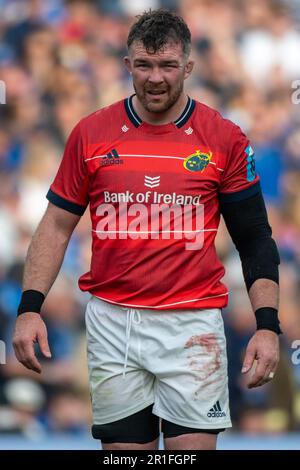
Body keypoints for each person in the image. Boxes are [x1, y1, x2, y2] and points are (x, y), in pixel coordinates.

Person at [12, 9, 281, 451]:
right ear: (127, 65)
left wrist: (267, 326)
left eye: (168, 66)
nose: (156, 78)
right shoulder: (91, 134)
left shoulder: (224, 138)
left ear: (188, 67)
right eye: (144, 65)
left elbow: (255, 238)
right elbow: (56, 226)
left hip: (192, 324)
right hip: (114, 323)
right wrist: (29, 308)